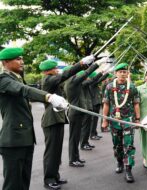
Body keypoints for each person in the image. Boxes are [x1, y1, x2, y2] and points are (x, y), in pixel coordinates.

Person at [0, 47, 68, 190]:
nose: (22, 61)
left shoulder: (17, 78)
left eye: (21, 58)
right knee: (13, 185)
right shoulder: (3, 79)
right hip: (13, 140)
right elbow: (24, 90)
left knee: (24, 182)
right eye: (17, 59)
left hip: (25, 137)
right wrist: (48, 96)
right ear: (5, 62)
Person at [39, 55, 95, 189]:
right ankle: (49, 179)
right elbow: (66, 74)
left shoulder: (52, 80)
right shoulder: (48, 80)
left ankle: (55, 176)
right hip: (51, 120)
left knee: (57, 151)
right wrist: (81, 63)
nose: (57, 70)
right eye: (54, 68)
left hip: (57, 118)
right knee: (51, 152)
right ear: (47, 71)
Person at [102, 63, 140, 183]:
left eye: (125, 72)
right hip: (114, 120)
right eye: (120, 72)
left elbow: (136, 104)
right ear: (116, 73)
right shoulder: (109, 87)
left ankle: (128, 169)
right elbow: (106, 104)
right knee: (117, 144)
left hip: (128, 120)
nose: (123, 74)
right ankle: (119, 163)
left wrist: (138, 119)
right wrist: (104, 120)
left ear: (127, 73)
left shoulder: (133, 87)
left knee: (129, 145)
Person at [64, 63, 99, 166]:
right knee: (74, 138)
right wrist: (97, 64)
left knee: (76, 137)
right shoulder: (72, 81)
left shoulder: (74, 81)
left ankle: (76, 157)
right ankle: (72, 160)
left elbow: (86, 77)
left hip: (77, 113)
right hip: (75, 113)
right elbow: (86, 73)